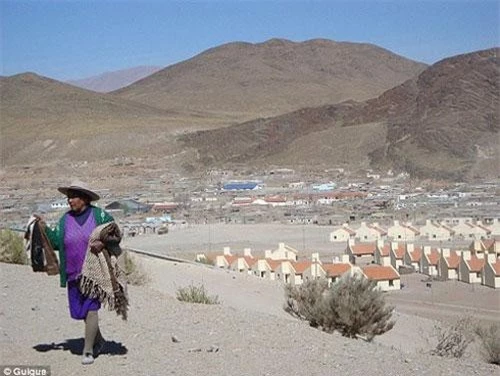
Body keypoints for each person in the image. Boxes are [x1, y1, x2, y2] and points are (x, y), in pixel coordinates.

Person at [41, 180, 114, 365]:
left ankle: (88, 351)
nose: (70, 201)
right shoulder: (65, 220)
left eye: (73, 197)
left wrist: (103, 243)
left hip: (94, 271)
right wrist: (43, 229)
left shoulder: (100, 216)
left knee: (91, 309)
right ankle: (100, 341)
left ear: (85, 199)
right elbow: (57, 242)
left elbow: (114, 234)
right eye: (69, 198)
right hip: (73, 273)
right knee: (81, 312)